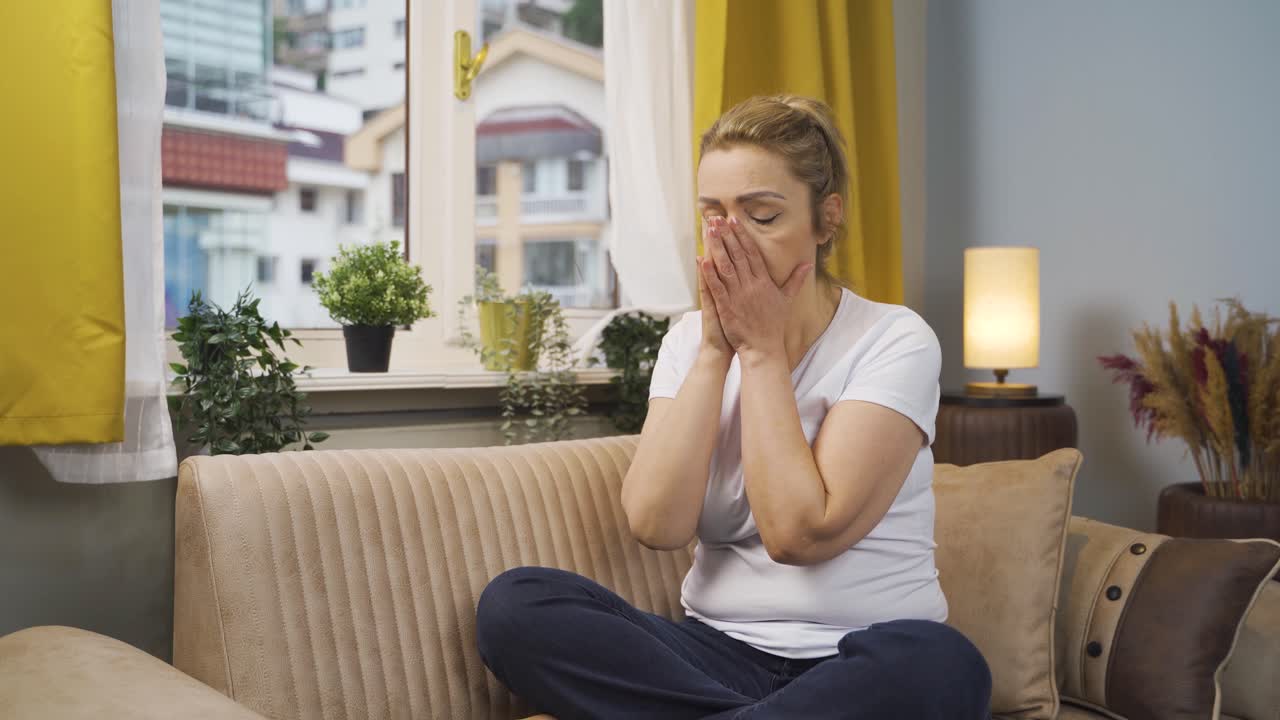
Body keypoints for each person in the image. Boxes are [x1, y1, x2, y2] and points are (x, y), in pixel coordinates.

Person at [475, 95, 992, 720]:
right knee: (517, 605)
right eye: (713, 217)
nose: (730, 241)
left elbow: (799, 535)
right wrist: (715, 352)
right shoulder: (688, 343)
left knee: (942, 666)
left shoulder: (894, 339)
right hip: (713, 656)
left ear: (826, 219)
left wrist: (762, 352)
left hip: (859, 658)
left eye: (762, 215)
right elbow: (656, 525)